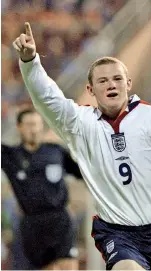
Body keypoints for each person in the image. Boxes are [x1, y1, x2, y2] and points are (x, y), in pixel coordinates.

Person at [12, 22, 151, 270]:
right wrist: (30, 62)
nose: (111, 84)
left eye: (117, 78)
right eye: (102, 81)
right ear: (90, 89)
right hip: (117, 233)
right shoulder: (80, 124)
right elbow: (47, 98)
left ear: (128, 83)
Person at [1, 108, 83, 270]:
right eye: (30, 124)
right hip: (32, 224)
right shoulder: (11, 156)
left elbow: (84, 173)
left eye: (38, 125)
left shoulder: (55, 151)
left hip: (59, 220)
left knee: (68, 265)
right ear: (19, 127)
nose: (34, 129)